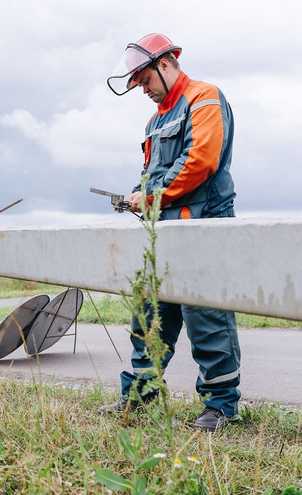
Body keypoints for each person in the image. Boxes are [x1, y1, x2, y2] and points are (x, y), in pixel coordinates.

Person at [102, 33, 241, 432]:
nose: (143, 90)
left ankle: (221, 406)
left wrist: (148, 196)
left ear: (166, 63)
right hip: (162, 231)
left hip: (202, 225)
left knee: (206, 314)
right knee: (149, 313)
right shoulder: (154, 120)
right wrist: (138, 195)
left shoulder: (205, 97)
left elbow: (200, 160)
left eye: (145, 80)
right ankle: (141, 394)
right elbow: (152, 174)